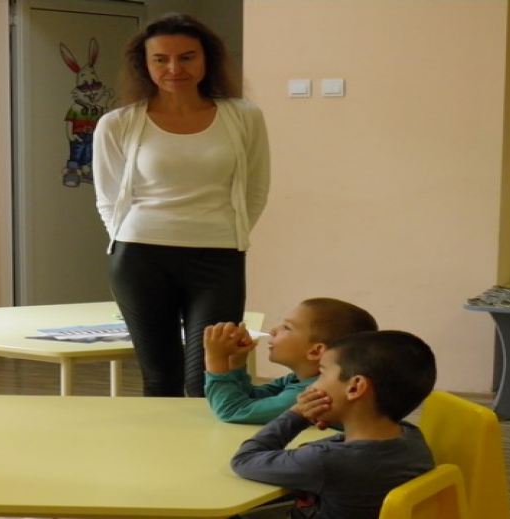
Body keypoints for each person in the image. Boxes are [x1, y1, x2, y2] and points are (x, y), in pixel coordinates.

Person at [92, 12, 270, 397]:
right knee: (160, 377)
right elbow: (107, 197)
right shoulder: (118, 123)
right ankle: (157, 439)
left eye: (187, 57)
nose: (174, 69)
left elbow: (256, 189)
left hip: (218, 257)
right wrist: (127, 238)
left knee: (207, 376)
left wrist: (226, 231)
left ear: (207, 59)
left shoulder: (243, 117)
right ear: (145, 64)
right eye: (161, 59)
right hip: (140, 257)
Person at [230, 330, 438, 519]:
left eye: (322, 374)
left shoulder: (323, 461)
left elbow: (244, 460)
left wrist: (297, 415)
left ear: (355, 388)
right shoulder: (411, 436)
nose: (312, 386)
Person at [204, 298, 378, 424]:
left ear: (315, 351)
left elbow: (233, 411)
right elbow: (252, 399)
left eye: (287, 327)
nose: (273, 331)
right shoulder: (298, 379)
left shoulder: (314, 393)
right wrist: (237, 360)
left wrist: (215, 359)